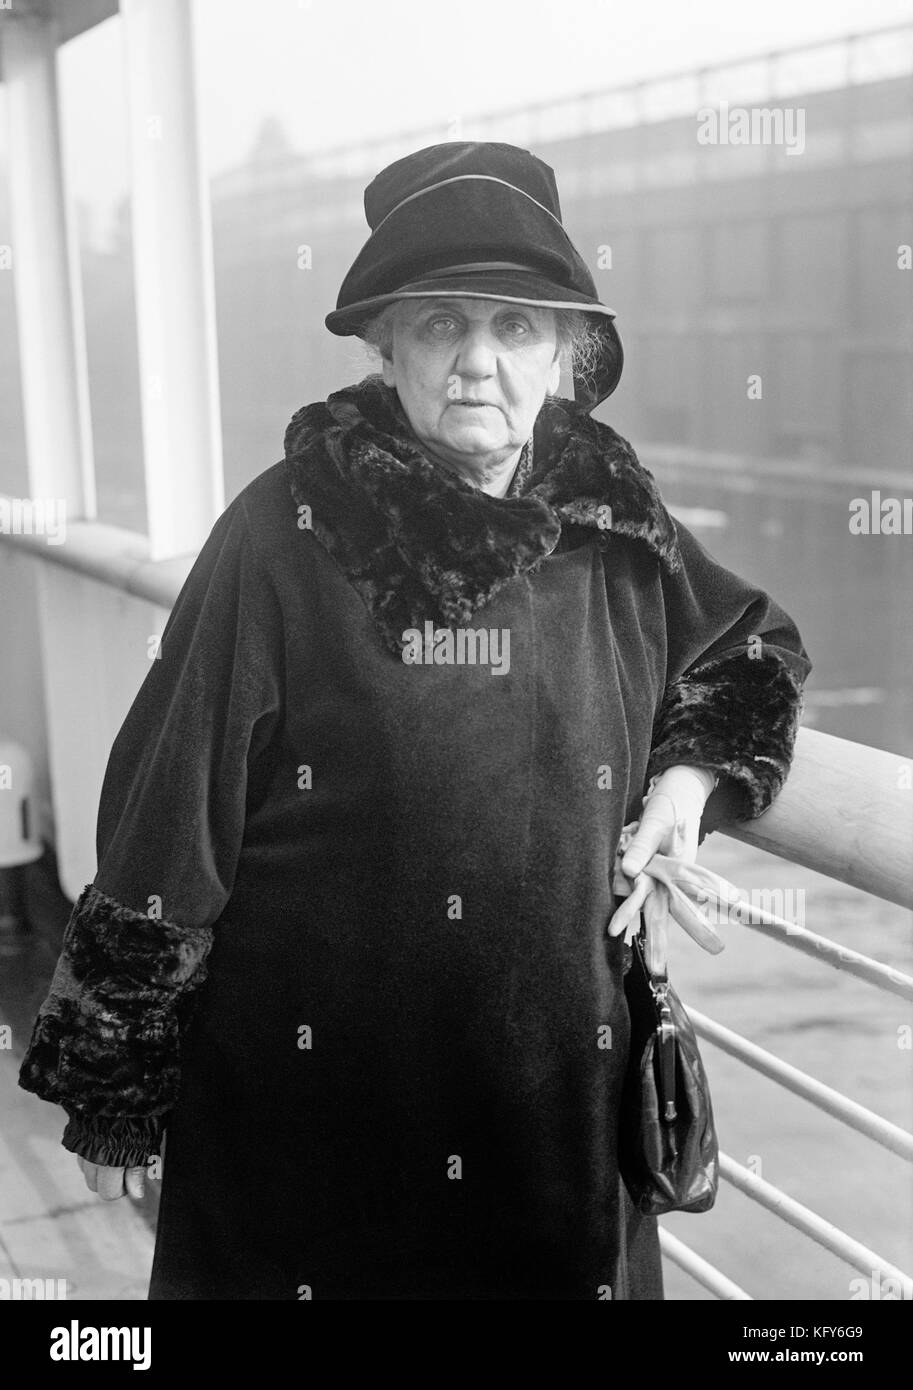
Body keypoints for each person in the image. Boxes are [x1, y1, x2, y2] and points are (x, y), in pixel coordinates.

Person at [19, 141, 811, 1300]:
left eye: (515, 326)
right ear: (387, 345)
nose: (477, 362)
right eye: (442, 325)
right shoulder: (284, 530)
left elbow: (751, 645)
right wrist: (119, 1083)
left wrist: (685, 786)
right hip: (314, 1112)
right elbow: (169, 806)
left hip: (553, 1107)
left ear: (567, 353)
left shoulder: (613, 521)